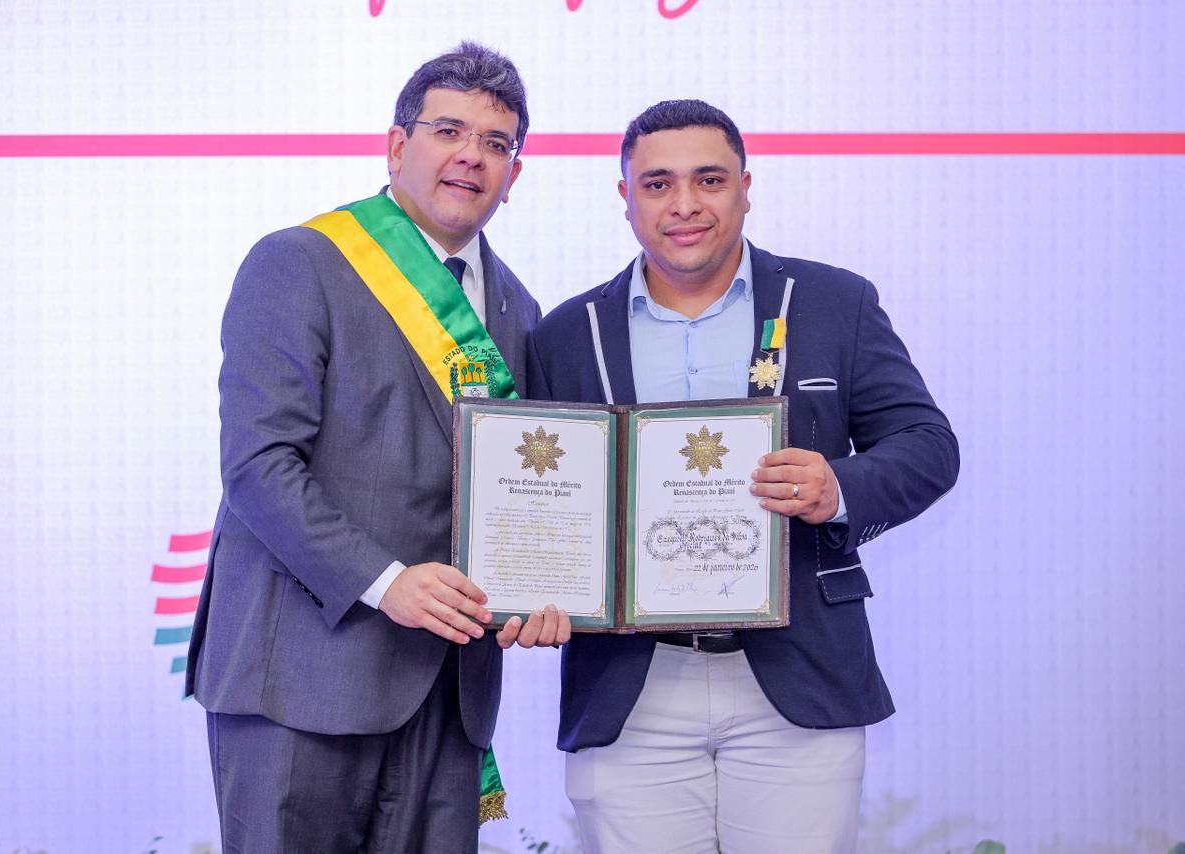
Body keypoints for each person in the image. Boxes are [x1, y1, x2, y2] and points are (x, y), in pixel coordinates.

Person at [525, 99, 959, 853]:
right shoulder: (565, 333)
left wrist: (837, 488)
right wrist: (531, 585)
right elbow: (541, 501)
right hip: (628, 688)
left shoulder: (835, 303)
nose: (685, 204)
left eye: (709, 179)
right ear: (625, 197)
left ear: (746, 188)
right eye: (658, 183)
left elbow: (928, 446)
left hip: (799, 675)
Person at [185, 42, 567, 853]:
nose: (470, 156)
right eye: (448, 131)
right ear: (398, 147)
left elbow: (521, 495)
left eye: (495, 143)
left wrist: (548, 586)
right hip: (301, 680)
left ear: (514, 174)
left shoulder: (521, 311)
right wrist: (386, 582)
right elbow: (259, 466)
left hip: (451, 693)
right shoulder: (299, 263)